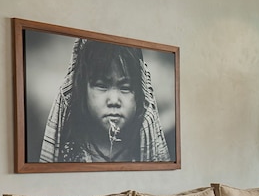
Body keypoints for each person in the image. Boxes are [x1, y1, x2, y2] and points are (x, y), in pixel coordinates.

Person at [40, 38, 170, 163]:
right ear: (82, 90)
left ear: (140, 95)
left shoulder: (141, 149)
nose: (114, 101)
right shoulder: (69, 151)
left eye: (125, 87)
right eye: (101, 85)